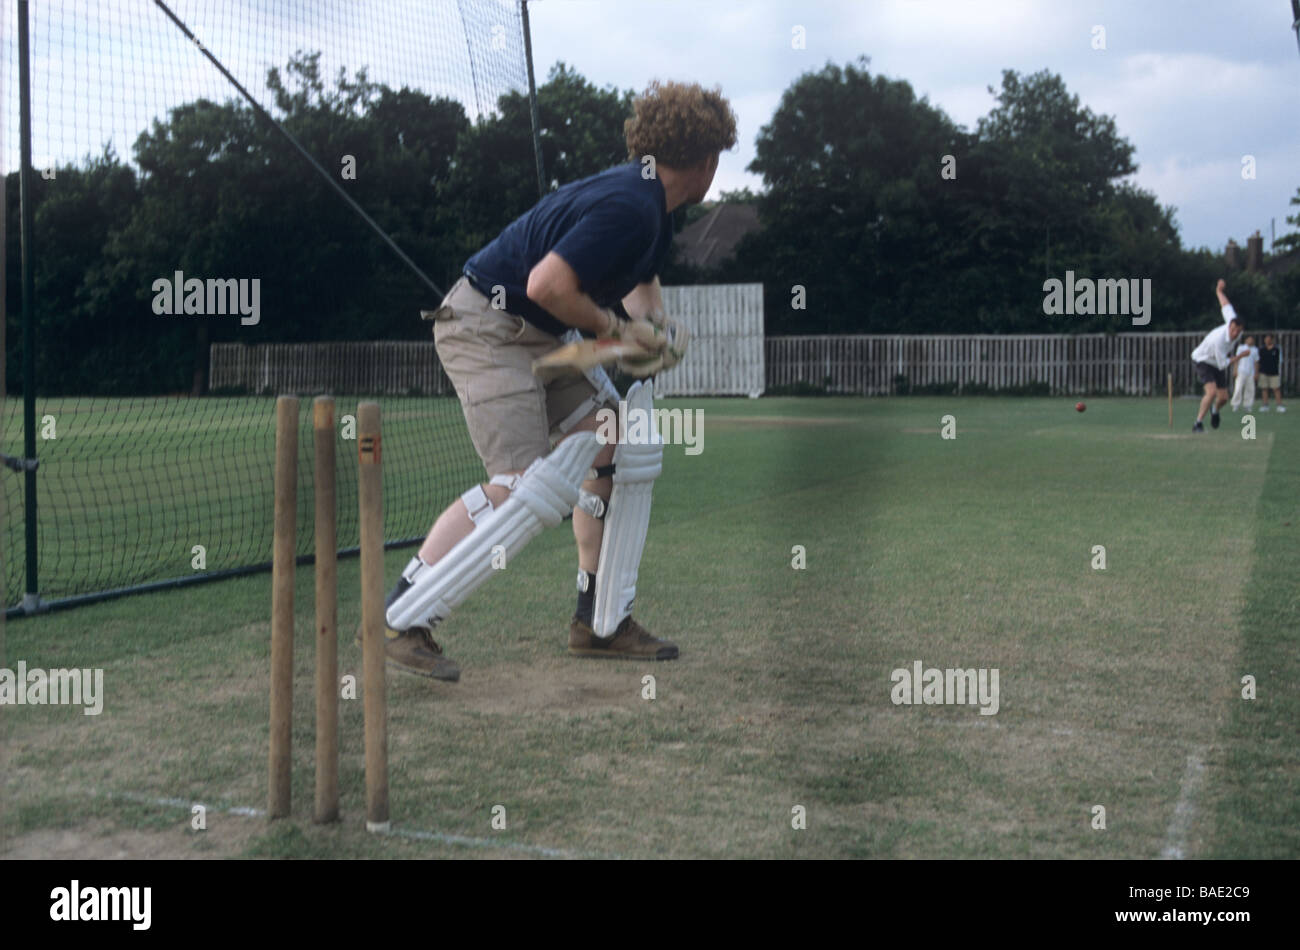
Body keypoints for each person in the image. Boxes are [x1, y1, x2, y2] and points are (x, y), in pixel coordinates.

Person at [378, 80, 737, 681]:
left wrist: (657, 329)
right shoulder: (630, 204)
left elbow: (640, 285)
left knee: (620, 445)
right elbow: (548, 285)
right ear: (706, 161)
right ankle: (402, 616)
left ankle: (600, 622)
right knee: (519, 488)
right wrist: (614, 330)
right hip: (486, 328)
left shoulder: (650, 208)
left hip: (537, 336)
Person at [1190, 280, 1249, 433]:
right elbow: (1223, 364)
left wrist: (1219, 291)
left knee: (1223, 398)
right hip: (1203, 359)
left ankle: (1215, 411)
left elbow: (1225, 305)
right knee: (1211, 392)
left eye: (1238, 331)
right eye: (1233, 329)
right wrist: (1241, 355)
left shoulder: (1234, 322)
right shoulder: (1220, 340)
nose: (1235, 333)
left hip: (1218, 361)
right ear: (1230, 326)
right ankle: (1198, 424)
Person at [1229, 334, 1259, 411]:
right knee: (1238, 388)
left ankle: (1248, 405)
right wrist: (1235, 370)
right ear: (1246, 340)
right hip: (1241, 371)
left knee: (1250, 389)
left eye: (1252, 339)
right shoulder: (1241, 348)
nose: (1250, 341)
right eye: (1249, 339)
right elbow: (1237, 359)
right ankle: (1235, 404)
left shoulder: (1255, 350)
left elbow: (1256, 362)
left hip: (1251, 372)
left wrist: (1256, 373)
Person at [1256, 333, 1285, 412]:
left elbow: (1280, 361)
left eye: (1269, 339)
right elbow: (1258, 361)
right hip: (1263, 372)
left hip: (1274, 372)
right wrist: (1257, 372)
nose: (1267, 340)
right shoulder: (1261, 349)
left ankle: (1279, 405)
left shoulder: (1277, 349)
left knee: (1276, 389)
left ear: (1272, 339)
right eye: (1266, 339)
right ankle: (1265, 405)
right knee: (1264, 389)